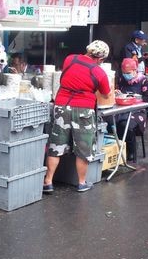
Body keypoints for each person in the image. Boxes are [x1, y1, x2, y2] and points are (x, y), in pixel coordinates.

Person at [43, 40, 111, 194]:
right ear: (100, 59)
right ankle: (81, 183)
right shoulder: (99, 72)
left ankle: (48, 181)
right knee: (83, 147)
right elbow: (106, 95)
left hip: (61, 106)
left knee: (56, 144)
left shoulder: (70, 59)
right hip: (83, 110)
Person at [114, 58, 148, 162]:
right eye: (124, 73)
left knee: (125, 124)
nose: (126, 75)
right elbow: (120, 93)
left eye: (128, 73)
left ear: (135, 70)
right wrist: (118, 93)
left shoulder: (144, 80)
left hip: (139, 111)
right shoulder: (122, 79)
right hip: (122, 109)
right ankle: (119, 150)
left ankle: (131, 150)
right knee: (110, 123)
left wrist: (134, 98)